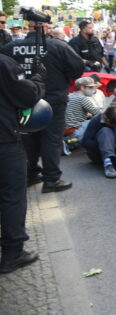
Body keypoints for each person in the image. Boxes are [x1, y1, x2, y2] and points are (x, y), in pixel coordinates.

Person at [2, 20, 84, 193]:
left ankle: (30, 174)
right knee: (52, 139)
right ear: (45, 27)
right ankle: (51, 179)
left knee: (28, 138)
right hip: (53, 100)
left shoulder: (11, 47)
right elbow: (77, 69)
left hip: (24, 100)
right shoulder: (58, 46)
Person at [0, 51, 45, 273]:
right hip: (4, 141)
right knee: (12, 196)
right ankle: (12, 253)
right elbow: (26, 95)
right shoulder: (3, 63)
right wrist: (37, 79)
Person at [80, 106, 116, 178]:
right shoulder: (96, 120)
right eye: (111, 123)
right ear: (105, 116)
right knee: (105, 130)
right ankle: (108, 164)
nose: (113, 126)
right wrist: (101, 144)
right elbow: (85, 141)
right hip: (100, 153)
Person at [65, 77, 103, 141]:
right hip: (75, 131)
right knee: (97, 120)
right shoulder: (82, 98)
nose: (93, 90)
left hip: (65, 129)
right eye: (90, 87)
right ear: (82, 87)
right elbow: (97, 113)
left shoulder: (70, 95)